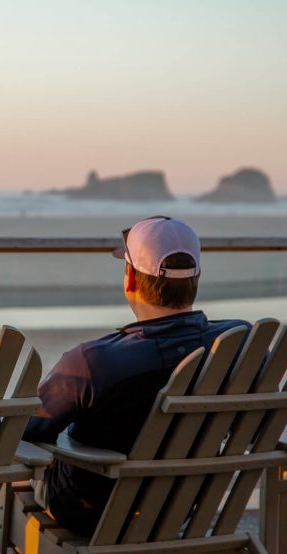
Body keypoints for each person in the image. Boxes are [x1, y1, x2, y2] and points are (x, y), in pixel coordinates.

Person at [23, 216, 249, 536]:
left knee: (24, 460)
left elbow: (28, 429)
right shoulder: (241, 342)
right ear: (196, 277)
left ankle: (13, 547)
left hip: (90, 512)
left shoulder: (93, 361)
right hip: (184, 505)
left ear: (130, 277)